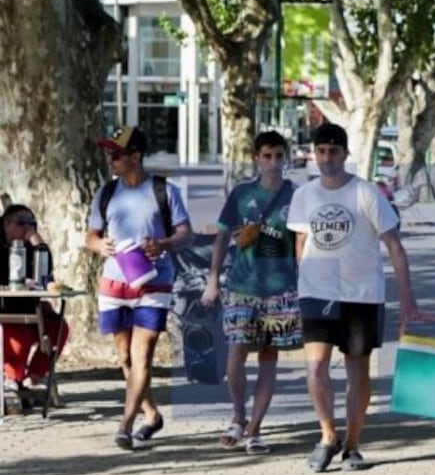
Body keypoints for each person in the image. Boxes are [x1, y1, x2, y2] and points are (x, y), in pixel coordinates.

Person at [287, 123, 418, 472]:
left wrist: (407, 298)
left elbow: (394, 246)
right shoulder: (304, 195)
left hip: (361, 295)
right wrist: (303, 280)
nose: (327, 158)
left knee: (356, 369)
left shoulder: (366, 193)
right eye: (321, 151)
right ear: (314, 155)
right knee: (314, 366)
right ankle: (328, 435)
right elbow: (301, 242)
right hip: (317, 294)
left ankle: (353, 444)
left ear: (345, 154)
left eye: (333, 151)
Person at [86, 126, 193, 450]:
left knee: (141, 356)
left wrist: (162, 243)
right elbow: (90, 235)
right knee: (125, 357)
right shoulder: (105, 192)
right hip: (114, 283)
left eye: (116, 154)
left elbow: (185, 234)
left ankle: (125, 424)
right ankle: (151, 414)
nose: (110, 160)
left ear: (136, 156)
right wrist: (98, 245)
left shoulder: (164, 190)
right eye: (109, 154)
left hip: (154, 283)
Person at [201, 130, 300, 455]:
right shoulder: (242, 194)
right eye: (266, 156)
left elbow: (305, 241)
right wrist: (213, 279)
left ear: (286, 158)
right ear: (257, 158)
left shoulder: (296, 195)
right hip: (242, 285)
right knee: (236, 354)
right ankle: (238, 416)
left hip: (281, 288)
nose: (273, 163)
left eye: (278, 156)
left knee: (268, 358)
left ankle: (256, 429)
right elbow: (221, 235)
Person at [0, 205, 70, 403]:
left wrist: (38, 242)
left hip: (30, 307)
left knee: (58, 328)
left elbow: (46, 274)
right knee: (18, 334)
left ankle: (34, 377)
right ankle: (12, 380)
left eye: (32, 223)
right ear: (6, 224)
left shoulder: (32, 247)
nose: (28, 228)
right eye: (22, 223)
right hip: (5, 308)